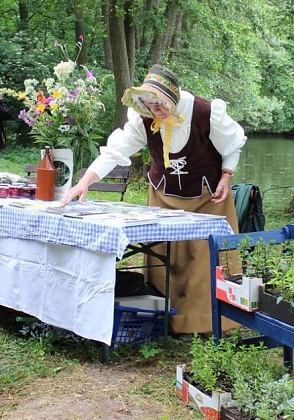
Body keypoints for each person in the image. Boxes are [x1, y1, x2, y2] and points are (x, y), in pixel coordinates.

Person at [61, 64, 247, 334]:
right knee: (164, 259)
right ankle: (162, 321)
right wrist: (84, 182)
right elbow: (115, 152)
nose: (154, 111)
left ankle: (203, 324)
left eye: (158, 105)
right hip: (164, 195)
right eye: (148, 105)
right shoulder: (143, 118)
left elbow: (232, 146)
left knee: (202, 264)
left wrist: (226, 176)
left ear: (172, 98)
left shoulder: (206, 113)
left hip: (208, 198)